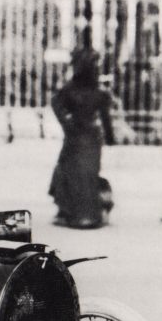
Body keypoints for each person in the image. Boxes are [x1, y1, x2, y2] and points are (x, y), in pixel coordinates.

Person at [49, 47, 114, 228]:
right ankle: (89, 213)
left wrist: (66, 124)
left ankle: (70, 211)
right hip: (91, 137)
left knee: (69, 172)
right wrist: (109, 137)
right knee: (87, 175)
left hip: (76, 135)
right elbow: (105, 118)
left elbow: (56, 104)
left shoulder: (69, 90)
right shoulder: (99, 93)